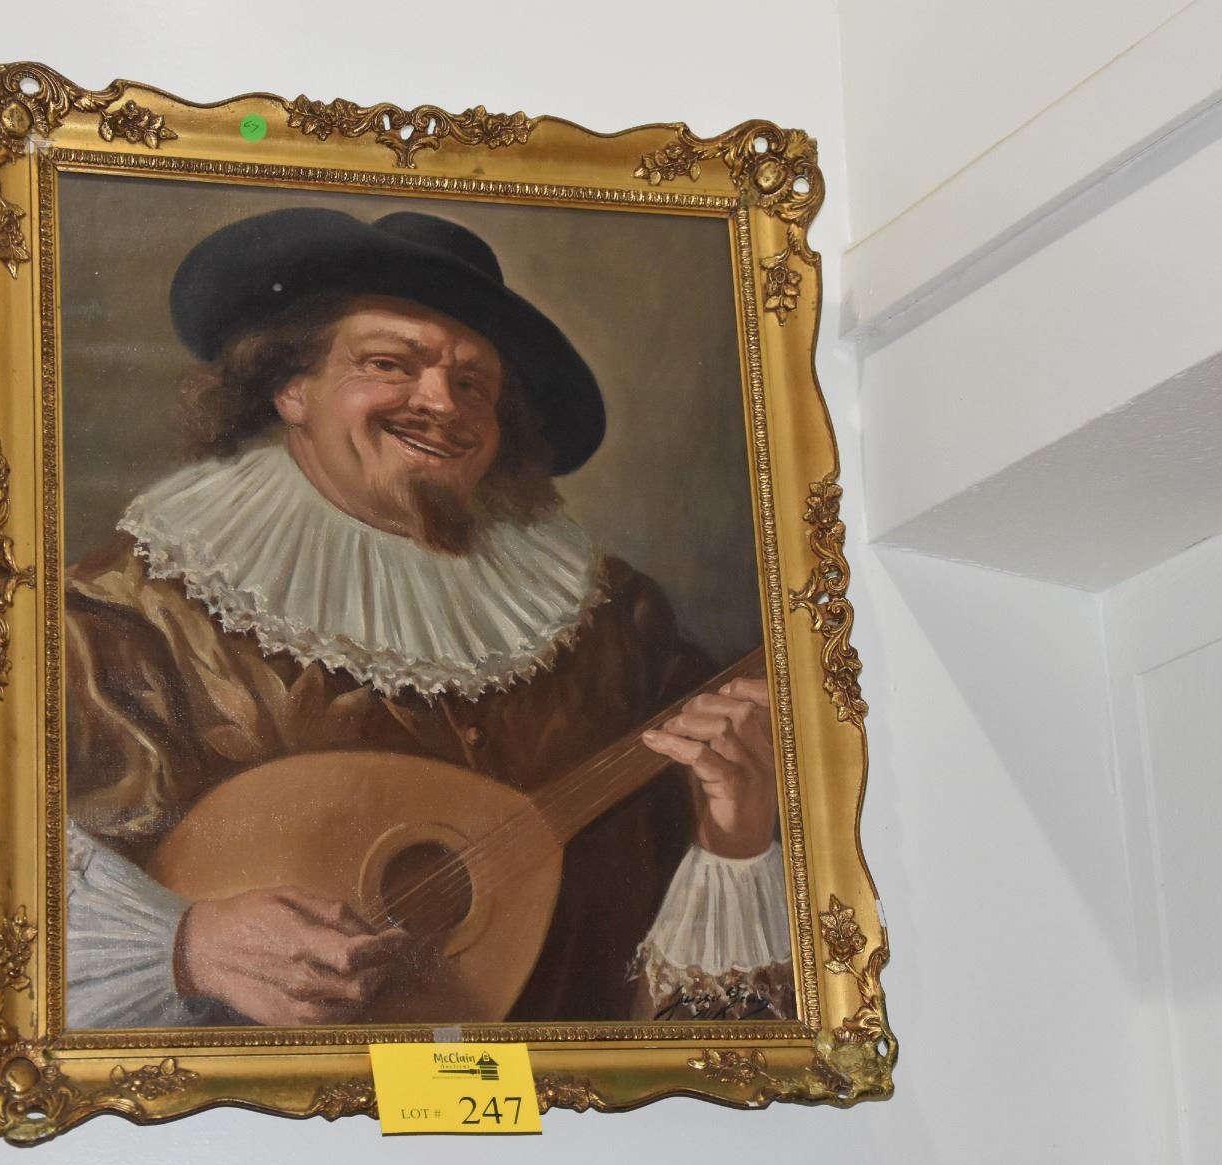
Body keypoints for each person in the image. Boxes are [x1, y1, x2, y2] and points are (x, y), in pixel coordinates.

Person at [63, 207, 792, 1028]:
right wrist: (189, 945)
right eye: (389, 363)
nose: (443, 403)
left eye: (475, 384)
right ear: (291, 387)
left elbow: (707, 1018)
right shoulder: (124, 617)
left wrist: (736, 840)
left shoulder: (619, 625)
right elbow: (24, 894)